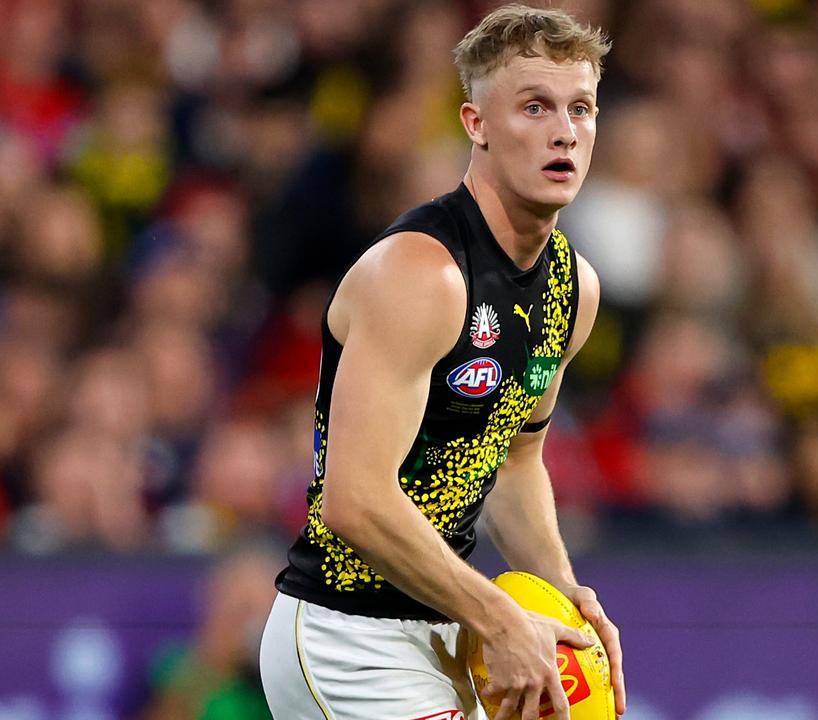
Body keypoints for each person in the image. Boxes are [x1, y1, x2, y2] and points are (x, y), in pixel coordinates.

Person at [260, 6, 625, 720]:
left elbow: (516, 460)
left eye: (581, 108)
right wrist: (497, 615)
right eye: (534, 106)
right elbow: (355, 500)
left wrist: (564, 597)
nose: (564, 131)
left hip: (441, 628)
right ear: (476, 123)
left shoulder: (570, 286)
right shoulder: (420, 273)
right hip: (344, 634)